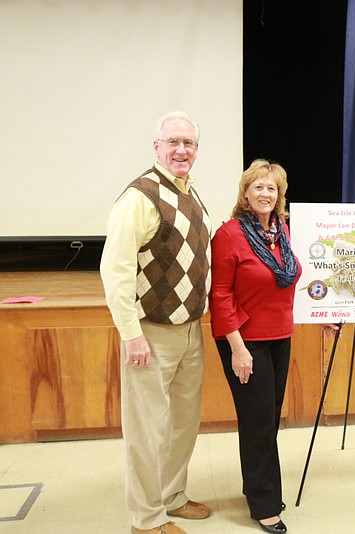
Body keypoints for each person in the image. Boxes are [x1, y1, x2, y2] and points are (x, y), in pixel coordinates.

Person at [100, 111, 212, 534]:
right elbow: (115, 271)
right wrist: (131, 335)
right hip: (149, 332)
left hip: (189, 331)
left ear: (196, 150)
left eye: (189, 144)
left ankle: (172, 497)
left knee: (182, 422)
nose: (181, 150)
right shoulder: (139, 197)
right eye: (173, 142)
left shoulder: (192, 193)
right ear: (157, 147)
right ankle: (146, 521)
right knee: (147, 431)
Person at [209, 160, 301, 534]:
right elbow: (220, 294)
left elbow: (291, 282)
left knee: (267, 420)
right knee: (258, 422)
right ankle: (263, 505)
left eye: (273, 188)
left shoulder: (281, 232)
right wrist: (238, 348)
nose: (266, 194)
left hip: (280, 335)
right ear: (245, 193)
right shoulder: (229, 234)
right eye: (259, 187)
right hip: (245, 341)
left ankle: (260, 488)